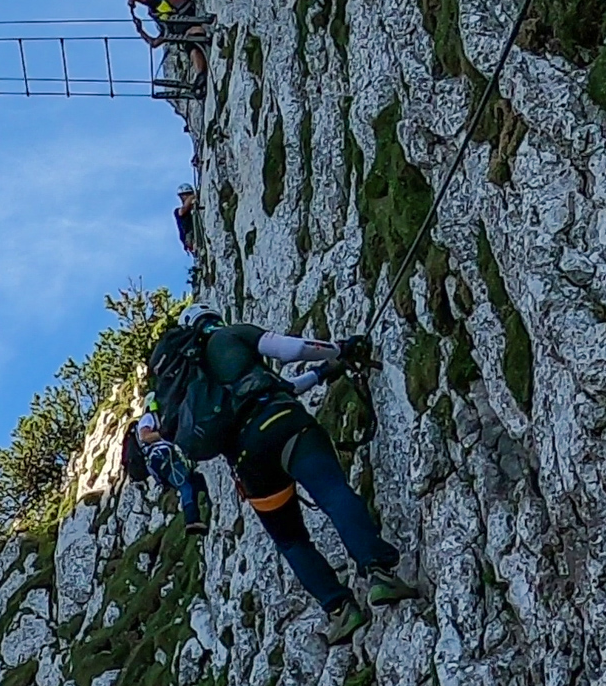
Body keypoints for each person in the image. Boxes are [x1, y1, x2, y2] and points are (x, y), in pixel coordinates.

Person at [148, 303, 419, 645]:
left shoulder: (190, 380)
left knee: (291, 540)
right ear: (214, 319)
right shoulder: (230, 336)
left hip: (249, 462)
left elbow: (281, 387)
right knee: (333, 493)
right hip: (283, 424)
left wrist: (323, 374)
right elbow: (292, 351)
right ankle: (378, 572)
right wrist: (340, 350)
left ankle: (339, 610)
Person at [125, 400, 209, 536]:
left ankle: (199, 511)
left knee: (193, 481)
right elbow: (145, 436)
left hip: (160, 461)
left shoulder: (154, 418)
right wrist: (163, 435)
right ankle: (192, 520)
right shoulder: (148, 417)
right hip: (162, 457)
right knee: (185, 485)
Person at [127, 0, 210, 80]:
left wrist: (132, 3)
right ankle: (201, 75)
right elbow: (154, 43)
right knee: (193, 51)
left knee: (194, 40)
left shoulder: (159, 5)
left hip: (191, 26)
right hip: (188, 34)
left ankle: (201, 73)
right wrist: (141, 31)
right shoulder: (166, 29)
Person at [174, 183, 199, 255]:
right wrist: (192, 196)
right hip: (189, 236)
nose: (185, 197)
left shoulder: (194, 208)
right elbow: (183, 211)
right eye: (184, 195)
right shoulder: (178, 211)